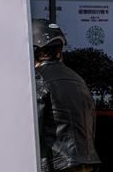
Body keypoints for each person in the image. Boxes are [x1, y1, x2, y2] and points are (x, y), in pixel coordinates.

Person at [33, 19, 101, 172]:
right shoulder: (78, 79)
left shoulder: (39, 79)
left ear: (35, 50)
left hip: (58, 164)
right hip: (85, 163)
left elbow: (32, 130)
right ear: (59, 51)